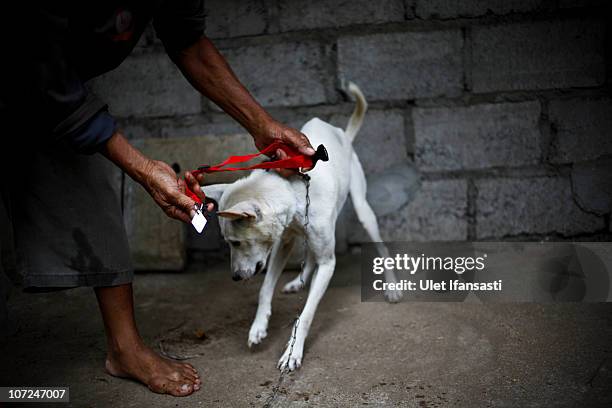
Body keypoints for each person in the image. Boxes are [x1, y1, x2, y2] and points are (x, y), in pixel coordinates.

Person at [0, 1, 314, 397]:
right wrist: (145, 170)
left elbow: (189, 42)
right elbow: (45, 74)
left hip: (59, 86)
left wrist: (261, 125)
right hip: (30, 72)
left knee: (92, 198)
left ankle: (123, 350)